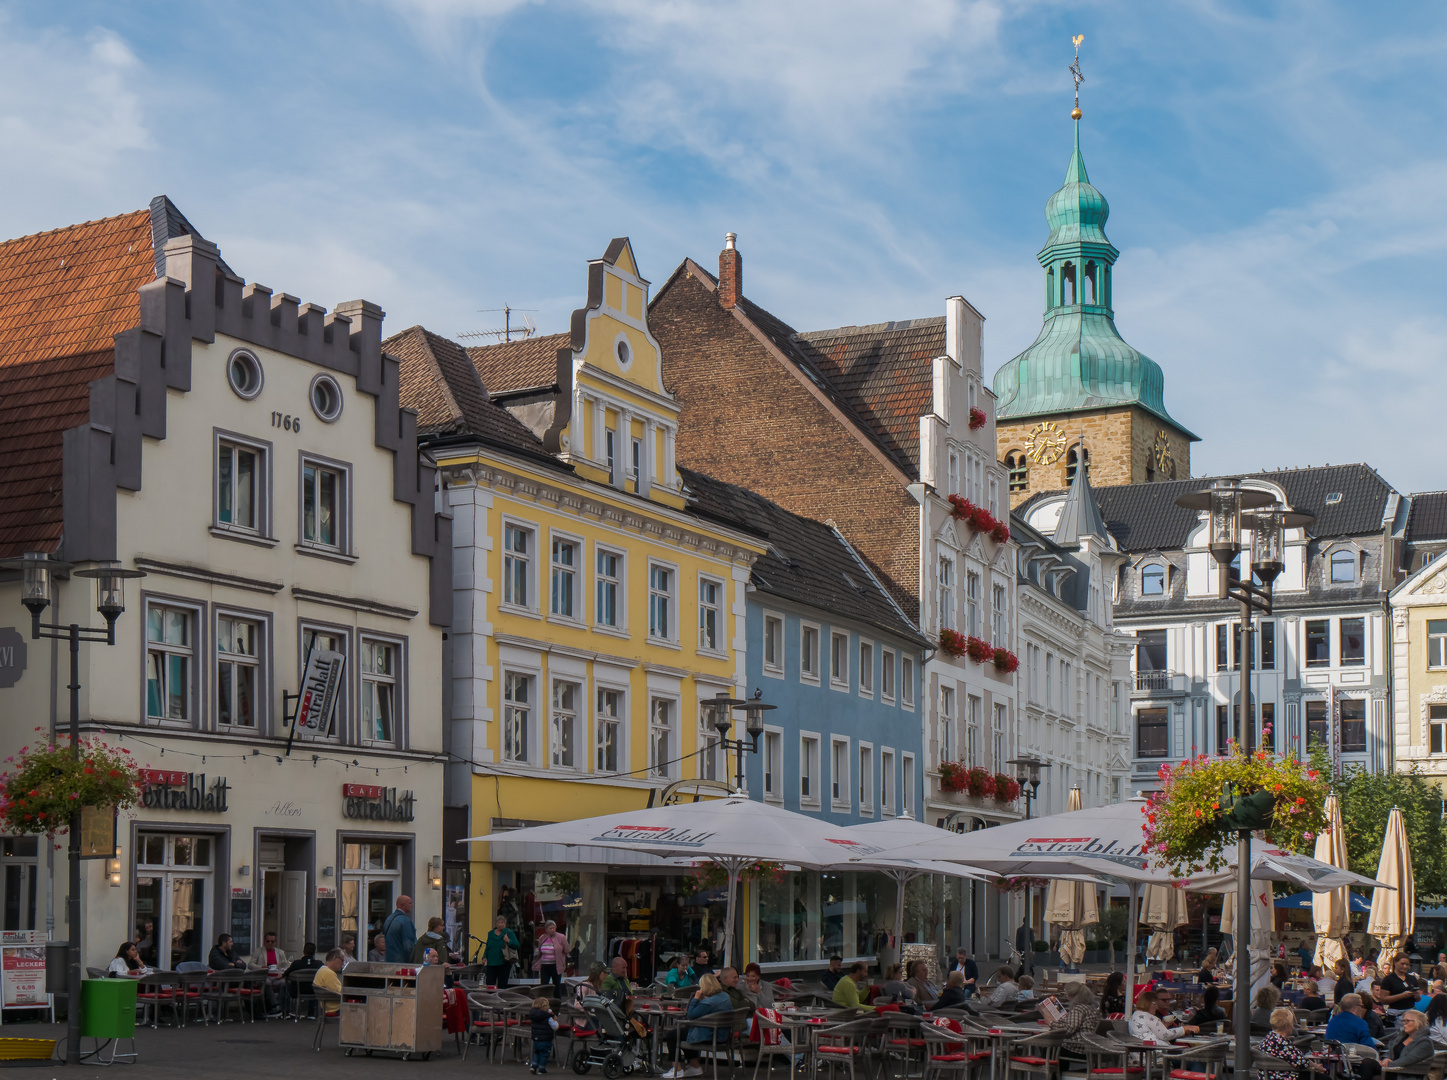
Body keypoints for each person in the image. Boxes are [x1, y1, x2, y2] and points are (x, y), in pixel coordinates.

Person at [661, 973, 731, 1079]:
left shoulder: (709, 1002)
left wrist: (696, 998)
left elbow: (691, 1015)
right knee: (687, 1031)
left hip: (710, 1036)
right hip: (722, 1035)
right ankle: (695, 1066)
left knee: (672, 1034)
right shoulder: (725, 997)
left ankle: (677, 1069)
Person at [1258, 1006, 1326, 1080]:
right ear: (1287, 1025)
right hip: (1285, 1076)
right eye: (1292, 1022)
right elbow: (1302, 1062)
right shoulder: (1282, 1043)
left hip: (1267, 1076)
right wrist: (1316, 1066)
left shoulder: (1269, 1038)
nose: (1293, 1026)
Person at [1050, 982, 1102, 1067]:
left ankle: (1055, 1075)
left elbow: (1069, 1029)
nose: (1067, 998)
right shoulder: (1091, 1009)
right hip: (1091, 1047)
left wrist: (1052, 1024)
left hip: (1079, 1048)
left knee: (1051, 1049)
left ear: (1074, 996)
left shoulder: (1078, 1009)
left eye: (1067, 995)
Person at [247, 930, 291, 1017]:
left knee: (284, 983)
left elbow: (286, 965)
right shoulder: (258, 951)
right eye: (268, 941)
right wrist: (261, 967)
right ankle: (276, 1005)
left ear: (275, 942)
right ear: (264, 941)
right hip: (264, 976)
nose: (270, 943)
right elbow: (250, 965)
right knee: (267, 983)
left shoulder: (280, 952)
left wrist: (282, 972)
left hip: (276, 976)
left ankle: (282, 1007)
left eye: (272, 941)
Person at [1128, 991, 1199, 1041]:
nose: (1156, 1008)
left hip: (1140, 1053)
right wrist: (1184, 1029)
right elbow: (1165, 1035)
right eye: (1156, 1005)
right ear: (1152, 1004)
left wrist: (1163, 1027)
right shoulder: (1149, 1017)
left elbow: (1150, 1033)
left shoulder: (1135, 1015)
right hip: (1155, 1054)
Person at [281, 942, 324, 1016]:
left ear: (303, 951)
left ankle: (285, 1012)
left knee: (283, 986)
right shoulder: (319, 964)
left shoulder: (296, 963)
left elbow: (286, 974)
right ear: (314, 953)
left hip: (297, 990)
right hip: (313, 991)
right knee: (316, 984)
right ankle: (312, 1013)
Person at [533, 919, 569, 996]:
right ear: (546, 929)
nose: (552, 930)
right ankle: (544, 1004)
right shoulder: (542, 937)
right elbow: (539, 950)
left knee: (556, 986)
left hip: (556, 965)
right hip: (544, 965)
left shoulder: (561, 937)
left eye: (554, 928)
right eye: (550, 928)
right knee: (544, 986)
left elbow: (567, 950)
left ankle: (557, 1004)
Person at [483, 914, 520, 989]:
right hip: (491, 962)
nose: (500, 924)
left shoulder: (509, 932)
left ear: (505, 924)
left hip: (504, 962)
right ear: (496, 924)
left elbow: (517, 945)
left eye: (502, 923)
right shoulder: (490, 933)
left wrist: (508, 940)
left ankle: (501, 999)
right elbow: (487, 946)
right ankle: (490, 999)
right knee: (490, 984)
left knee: (502, 985)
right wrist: (484, 957)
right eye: (498, 922)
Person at [529, 995, 559, 1075]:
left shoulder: (534, 1016)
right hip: (546, 1039)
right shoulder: (548, 1017)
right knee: (544, 1054)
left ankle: (533, 1065)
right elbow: (555, 1027)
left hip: (536, 1038)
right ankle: (541, 1068)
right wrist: (555, 1020)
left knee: (537, 1052)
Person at [383, 895, 416, 963]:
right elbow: (408, 945)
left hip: (389, 960)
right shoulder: (405, 921)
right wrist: (413, 960)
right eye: (409, 903)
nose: (412, 905)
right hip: (402, 962)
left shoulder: (389, 919)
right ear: (402, 905)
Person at [313, 949, 345, 1017]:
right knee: (361, 1008)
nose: (343, 963)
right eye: (342, 960)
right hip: (335, 1008)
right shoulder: (328, 973)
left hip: (327, 1006)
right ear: (334, 958)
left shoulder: (322, 970)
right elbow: (339, 992)